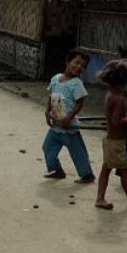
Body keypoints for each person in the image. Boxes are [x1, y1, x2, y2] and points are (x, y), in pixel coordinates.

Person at [95, 60, 127, 211]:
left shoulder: (110, 94)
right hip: (116, 141)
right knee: (124, 170)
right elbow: (116, 121)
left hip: (110, 138)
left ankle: (100, 198)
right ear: (124, 81)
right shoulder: (118, 98)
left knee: (106, 169)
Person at [42, 47, 95, 183]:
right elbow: (51, 95)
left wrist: (69, 117)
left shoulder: (76, 83)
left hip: (69, 127)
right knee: (48, 147)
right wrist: (47, 111)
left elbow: (80, 103)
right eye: (76, 63)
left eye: (83, 66)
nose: (79, 67)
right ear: (67, 61)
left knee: (78, 152)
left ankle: (87, 175)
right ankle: (56, 170)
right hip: (55, 126)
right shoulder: (56, 79)